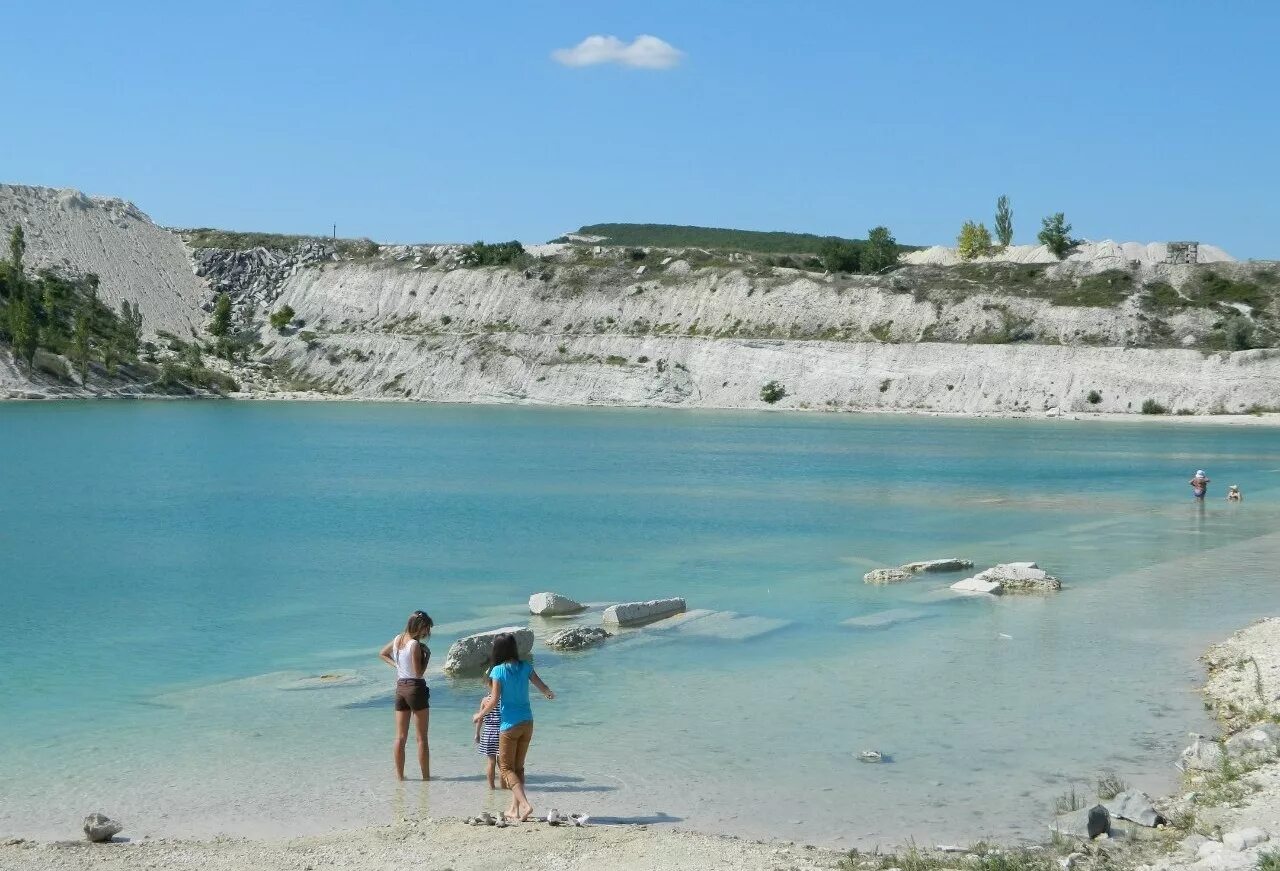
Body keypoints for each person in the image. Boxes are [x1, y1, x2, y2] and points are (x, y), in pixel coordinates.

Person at [473, 632, 554, 822]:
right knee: (519, 768)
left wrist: (479, 715)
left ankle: (525, 805)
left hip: (509, 725)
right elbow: (541, 685)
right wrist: (548, 693)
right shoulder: (526, 666)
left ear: (497, 650)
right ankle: (514, 810)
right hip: (528, 722)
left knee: (507, 769)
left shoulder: (498, 671)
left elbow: (493, 701)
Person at [379, 610, 433, 781]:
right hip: (415, 688)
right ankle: (426, 778)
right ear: (420, 626)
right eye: (426, 629)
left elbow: (382, 653)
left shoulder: (398, 639)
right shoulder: (414, 645)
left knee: (400, 737)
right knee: (421, 738)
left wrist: (397, 666)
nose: (427, 633)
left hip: (400, 688)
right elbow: (418, 673)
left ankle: (400, 777)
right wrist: (427, 657)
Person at [474, 675, 504, 789]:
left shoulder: (485, 700)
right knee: (502, 763)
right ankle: (504, 786)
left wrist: (477, 733)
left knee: (491, 762)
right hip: (501, 732)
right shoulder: (503, 699)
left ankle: (491, 787)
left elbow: (480, 718)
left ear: (488, 684)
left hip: (488, 732)